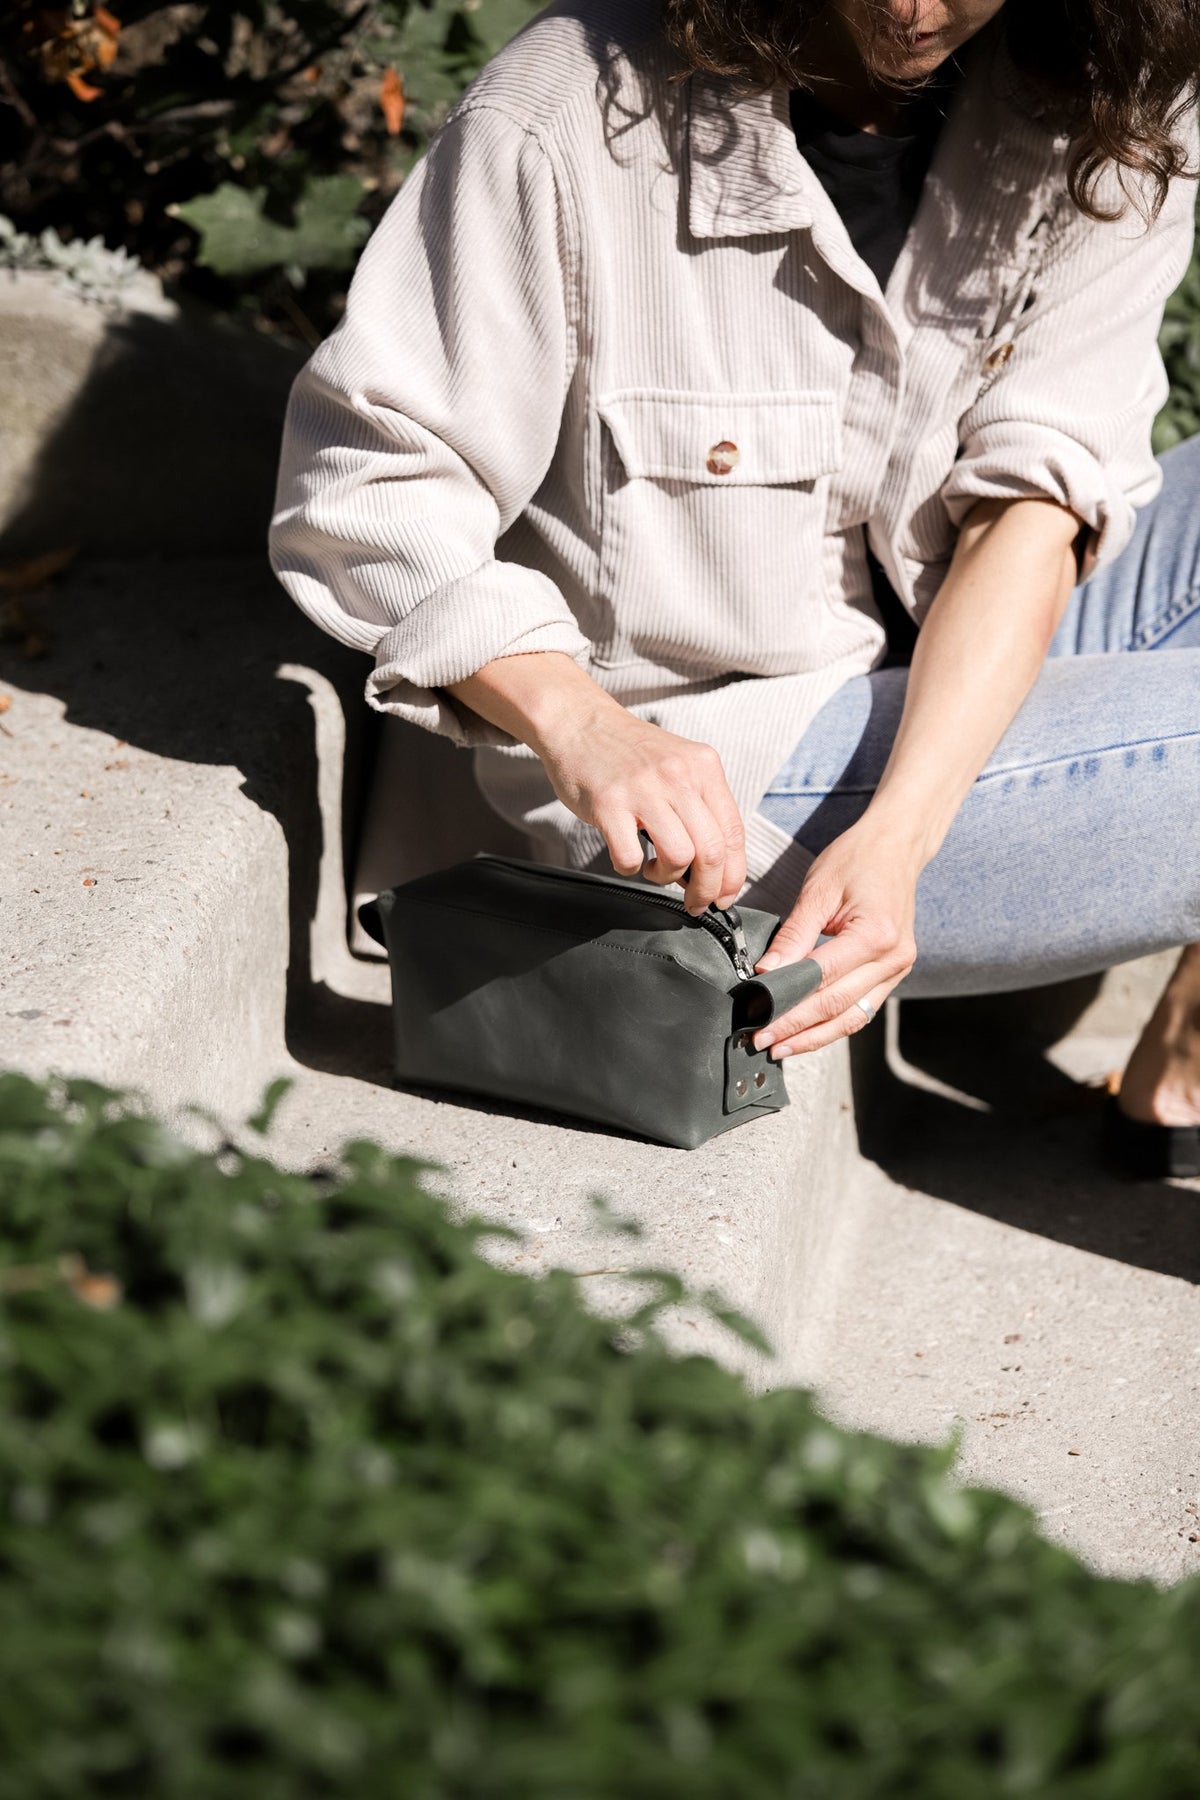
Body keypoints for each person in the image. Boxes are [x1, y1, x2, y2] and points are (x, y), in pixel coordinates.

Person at [270, 0, 1200, 1175]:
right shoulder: (572, 109)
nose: (917, 7)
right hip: (704, 788)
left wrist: (901, 841)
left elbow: (1036, 501)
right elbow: (368, 483)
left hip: (936, 697)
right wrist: (579, 721)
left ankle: (1181, 1060)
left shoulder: (1108, 100)